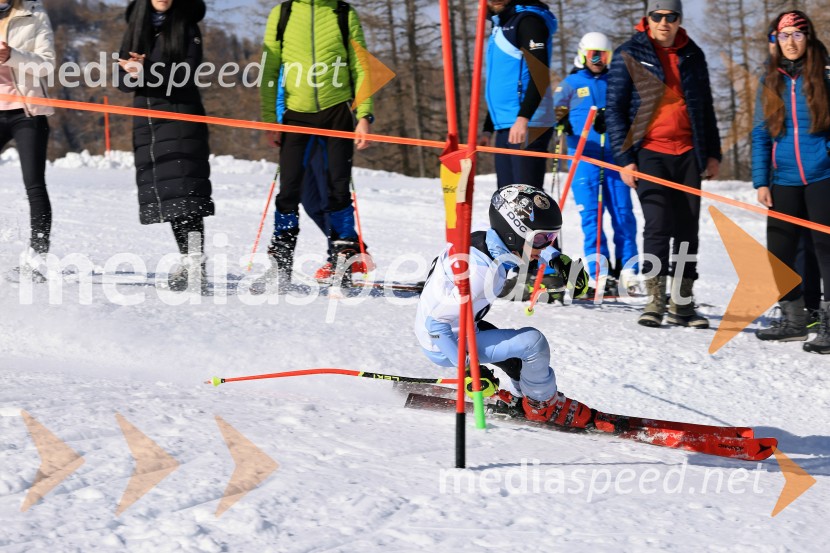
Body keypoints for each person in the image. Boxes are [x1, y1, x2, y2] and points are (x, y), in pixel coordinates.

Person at [414, 185, 592, 425]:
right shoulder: (481, 273)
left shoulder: (485, 242)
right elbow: (435, 324)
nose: (546, 244)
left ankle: (524, 399)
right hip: (446, 343)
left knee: (517, 361)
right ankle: (542, 405)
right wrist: (468, 371)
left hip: (463, 327)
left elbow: (530, 250)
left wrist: (558, 260)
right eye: (541, 238)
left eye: (550, 238)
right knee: (533, 343)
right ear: (514, 233)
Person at [606, 0, 721, 329]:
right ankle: (656, 299)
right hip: (649, 151)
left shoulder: (693, 54)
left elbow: (705, 107)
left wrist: (712, 153)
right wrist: (625, 159)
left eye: (671, 17)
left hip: (688, 152)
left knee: (687, 228)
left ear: (679, 20)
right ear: (648, 19)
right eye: (658, 16)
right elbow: (614, 110)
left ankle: (682, 303)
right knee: (658, 223)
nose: (664, 22)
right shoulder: (628, 52)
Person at [256, 0, 374, 292]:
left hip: (336, 112)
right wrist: (271, 119)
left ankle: (343, 259)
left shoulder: (343, 13)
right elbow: (270, 69)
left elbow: (361, 66)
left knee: (337, 189)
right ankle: (280, 261)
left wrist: (364, 115)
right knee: (290, 191)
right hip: (295, 115)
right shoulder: (282, 14)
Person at [117, 0, 215, 292]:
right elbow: (123, 81)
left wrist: (144, 69)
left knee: (187, 190)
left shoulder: (187, 26)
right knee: (169, 193)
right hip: (148, 120)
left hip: (181, 116)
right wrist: (131, 71)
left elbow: (187, 76)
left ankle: (195, 259)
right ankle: (189, 259)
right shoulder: (135, 28)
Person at [752, 11, 830, 354]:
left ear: (808, 37)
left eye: (797, 35)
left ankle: (827, 322)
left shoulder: (825, 74)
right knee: (779, 251)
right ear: (776, 41)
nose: (791, 42)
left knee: (825, 251)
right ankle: (795, 320)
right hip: (782, 178)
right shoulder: (771, 79)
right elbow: (759, 133)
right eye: (784, 36)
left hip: (822, 175)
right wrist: (761, 181)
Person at [553, 32, 639, 292]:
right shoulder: (570, 83)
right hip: (584, 159)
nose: (599, 60)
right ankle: (599, 270)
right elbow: (550, 112)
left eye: (604, 55)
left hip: (615, 158)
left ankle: (629, 270)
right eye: (593, 54)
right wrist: (561, 120)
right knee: (592, 216)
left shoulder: (616, 81)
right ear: (582, 54)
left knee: (623, 213)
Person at [1, 0, 55, 283]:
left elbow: (47, 65)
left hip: (27, 112)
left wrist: (12, 55)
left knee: (34, 184)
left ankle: (36, 259)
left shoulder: (33, 13)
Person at [479, 0, 558, 190]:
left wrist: (523, 118)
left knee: (525, 200)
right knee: (506, 199)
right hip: (506, 124)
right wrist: (488, 127)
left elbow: (539, 76)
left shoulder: (528, 21)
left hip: (528, 124)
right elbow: (502, 82)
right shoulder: (500, 26)